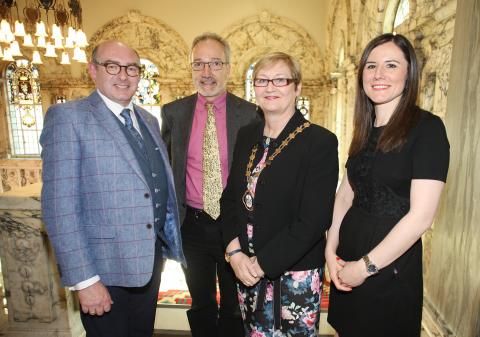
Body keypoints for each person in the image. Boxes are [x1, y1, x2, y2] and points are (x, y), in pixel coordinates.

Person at [40, 40, 184, 337]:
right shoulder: (69, 118)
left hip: (147, 264)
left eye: (131, 68)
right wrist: (85, 280)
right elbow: (59, 207)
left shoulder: (148, 119)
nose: (123, 75)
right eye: (112, 66)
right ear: (93, 70)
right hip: (102, 272)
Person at [326, 33, 450, 337]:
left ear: (409, 74)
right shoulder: (365, 127)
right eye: (370, 66)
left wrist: (365, 267)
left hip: (389, 266)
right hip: (348, 255)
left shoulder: (428, 129)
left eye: (391, 65)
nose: (378, 75)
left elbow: (421, 217)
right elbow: (345, 195)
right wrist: (330, 250)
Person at [221, 52, 339, 336]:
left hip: (293, 275)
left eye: (280, 80)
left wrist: (260, 265)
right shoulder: (247, 135)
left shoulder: (319, 141)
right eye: (262, 80)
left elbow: (314, 220)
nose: (270, 87)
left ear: (297, 87)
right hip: (245, 269)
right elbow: (229, 200)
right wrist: (234, 252)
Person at [161, 32, 258, 337]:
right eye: (199, 64)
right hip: (192, 226)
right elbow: (166, 170)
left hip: (234, 226)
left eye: (215, 63)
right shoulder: (174, 113)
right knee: (201, 303)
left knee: (234, 305)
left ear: (229, 67)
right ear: (190, 69)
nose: (206, 73)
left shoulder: (251, 114)